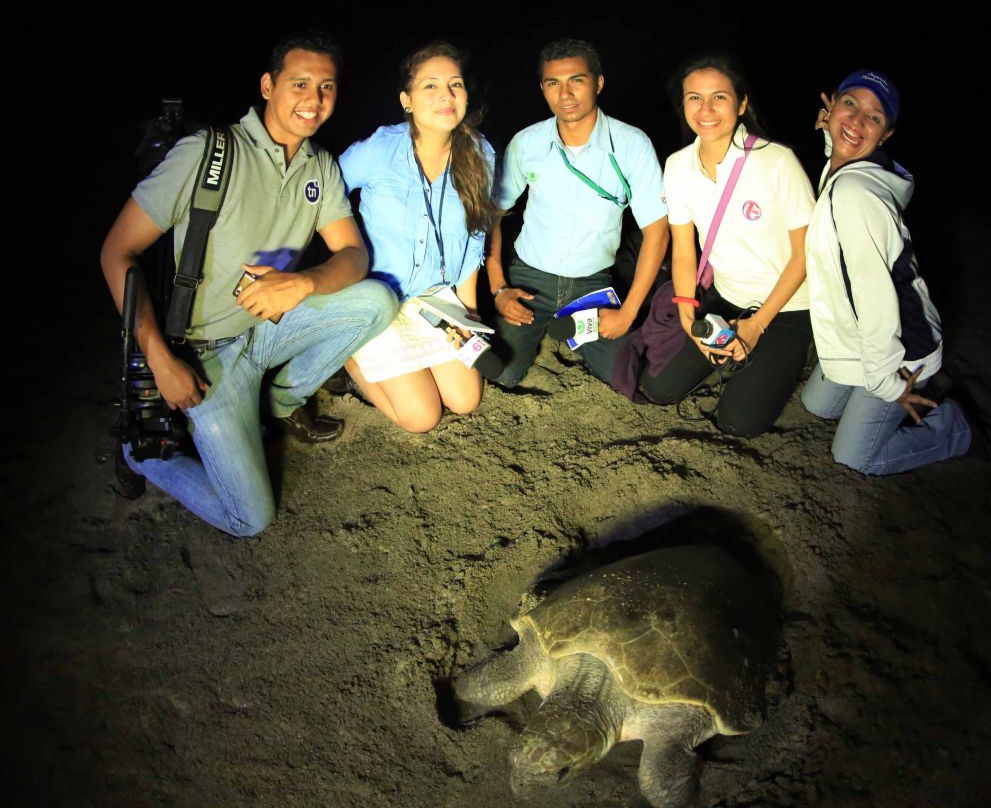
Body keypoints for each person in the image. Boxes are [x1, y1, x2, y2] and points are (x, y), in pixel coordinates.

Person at [100, 30, 398, 537]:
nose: (314, 99)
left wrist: (302, 282)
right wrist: (160, 360)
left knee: (377, 300)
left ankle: (279, 404)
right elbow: (116, 252)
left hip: (264, 329)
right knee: (249, 518)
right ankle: (139, 453)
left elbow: (353, 255)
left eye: (326, 87)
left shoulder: (319, 167)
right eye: (300, 83)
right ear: (267, 85)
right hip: (204, 352)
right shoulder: (207, 153)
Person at [800, 70, 971, 474]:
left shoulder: (856, 195)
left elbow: (877, 301)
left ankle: (954, 429)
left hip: (901, 348)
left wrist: (889, 385)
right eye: (850, 105)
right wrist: (832, 136)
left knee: (855, 457)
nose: (857, 121)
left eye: (874, 119)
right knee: (816, 406)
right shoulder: (847, 170)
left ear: (886, 136)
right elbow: (841, 155)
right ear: (831, 107)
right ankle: (872, 392)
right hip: (863, 335)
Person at [637, 56, 816, 436]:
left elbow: (805, 256)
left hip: (787, 307)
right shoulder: (678, 166)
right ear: (683, 104)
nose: (706, 110)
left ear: (742, 104)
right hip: (727, 295)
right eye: (694, 98)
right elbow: (684, 252)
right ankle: (734, 356)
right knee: (659, 388)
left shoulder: (777, 162)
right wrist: (689, 321)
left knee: (738, 422)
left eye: (719, 97)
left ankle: (783, 357)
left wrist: (757, 325)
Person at [488, 38, 668, 388]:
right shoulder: (527, 142)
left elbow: (657, 232)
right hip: (529, 278)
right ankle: (545, 329)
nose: (565, 94)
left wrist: (628, 312)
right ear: (543, 88)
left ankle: (569, 328)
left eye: (577, 80)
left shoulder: (632, 144)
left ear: (598, 83)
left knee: (627, 377)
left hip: (592, 283)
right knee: (505, 374)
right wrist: (498, 288)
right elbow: (492, 214)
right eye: (554, 83)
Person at [339, 42, 497, 432]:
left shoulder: (481, 153)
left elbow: (476, 235)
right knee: (422, 418)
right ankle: (346, 354)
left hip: (435, 298)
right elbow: (325, 196)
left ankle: (410, 363)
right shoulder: (379, 148)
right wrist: (340, 260)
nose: (446, 95)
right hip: (379, 298)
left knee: (465, 400)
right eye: (430, 86)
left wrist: (468, 312)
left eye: (455, 84)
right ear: (406, 100)